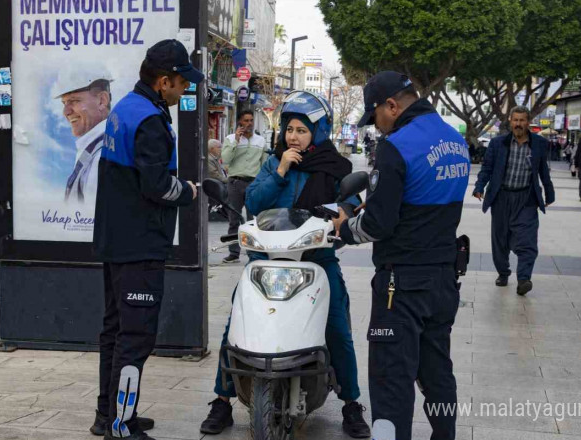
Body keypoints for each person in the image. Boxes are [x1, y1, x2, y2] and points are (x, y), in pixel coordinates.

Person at [200, 91, 371, 439]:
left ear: (318, 132)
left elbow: (349, 199)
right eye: (289, 129)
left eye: (302, 130)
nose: (293, 136)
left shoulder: (335, 166)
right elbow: (253, 202)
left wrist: (345, 212)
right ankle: (222, 400)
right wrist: (279, 170)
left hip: (316, 259)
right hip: (267, 259)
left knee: (337, 326)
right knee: (235, 324)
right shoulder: (271, 162)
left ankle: (352, 404)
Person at [331, 71, 468, 440]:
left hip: (401, 286)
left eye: (375, 116)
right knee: (437, 372)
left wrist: (343, 228)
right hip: (443, 280)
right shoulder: (456, 140)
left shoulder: (398, 146)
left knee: (391, 380)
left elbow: (378, 225)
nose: (376, 126)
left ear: (392, 105)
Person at [91, 39, 203, 440]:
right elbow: (156, 187)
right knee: (136, 337)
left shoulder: (127, 107)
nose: (185, 88)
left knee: (116, 332)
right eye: (181, 81)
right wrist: (189, 191)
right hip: (139, 244)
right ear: (163, 81)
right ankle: (121, 426)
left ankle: (110, 415)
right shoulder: (151, 121)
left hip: (116, 240)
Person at [473, 106, 555, 296]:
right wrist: (479, 187)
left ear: (528, 122)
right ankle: (503, 272)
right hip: (501, 197)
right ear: (510, 121)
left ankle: (524, 279)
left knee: (527, 240)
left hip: (526, 198)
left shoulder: (539, 144)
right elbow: (487, 168)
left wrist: (549, 193)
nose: (518, 124)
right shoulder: (497, 143)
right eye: (515, 120)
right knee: (500, 240)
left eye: (522, 120)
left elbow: (543, 170)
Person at [54, 68, 112, 203]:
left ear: (102, 101)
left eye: (74, 100)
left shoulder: (102, 156)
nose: (66, 111)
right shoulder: (96, 146)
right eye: (64, 103)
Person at [221, 110, 268, 263]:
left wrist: (262, 183)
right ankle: (233, 253)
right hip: (235, 182)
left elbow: (264, 164)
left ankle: (253, 252)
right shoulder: (230, 139)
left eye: (251, 120)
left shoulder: (260, 141)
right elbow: (225, 159)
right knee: (233, 219)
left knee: (252, 220)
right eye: (246, 120)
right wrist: (236, 140)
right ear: (240, 122)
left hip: (253, 183)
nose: (249, 123)